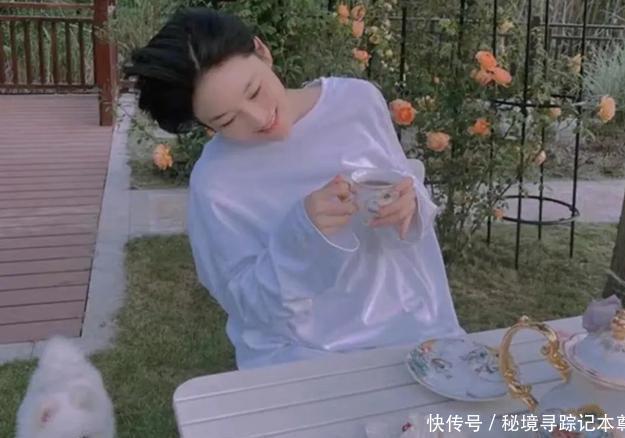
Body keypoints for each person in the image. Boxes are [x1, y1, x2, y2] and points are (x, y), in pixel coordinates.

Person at [125, 7, 464, 370]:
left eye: (254, 91)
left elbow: (403, 183)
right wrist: (303, 235)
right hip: (308, 354)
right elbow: (247, 303)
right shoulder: (216, 182)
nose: (259, 119)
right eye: (227, 120)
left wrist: (409, 203)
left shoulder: (358, 101)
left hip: (415, 328)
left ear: (262, 52)